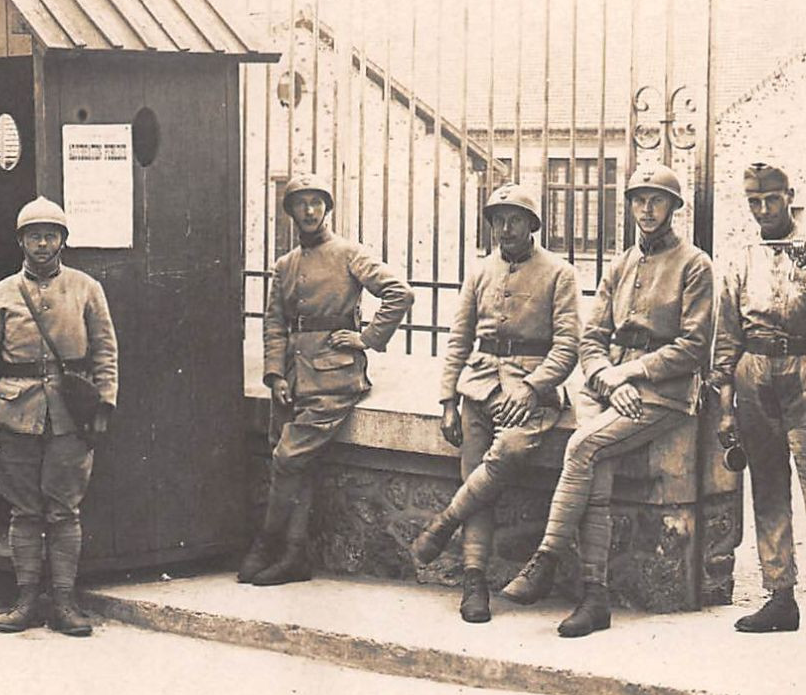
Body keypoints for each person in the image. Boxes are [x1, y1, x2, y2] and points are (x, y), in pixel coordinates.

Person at [500, 164, 713, 637]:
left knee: (581, 448)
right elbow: (590, 337)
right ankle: (595, 599)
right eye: (639, 199)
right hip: (610, 389)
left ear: (674, 208)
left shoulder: (695, 265)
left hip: (664, 393)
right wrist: (607, 378)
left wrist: (632, 373)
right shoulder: (619, 264)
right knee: (595, 467)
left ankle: (547, 557)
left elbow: (694, 346)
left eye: (657, 200)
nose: (647, 209)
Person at [410, 184, 581, 623]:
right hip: (479, 386)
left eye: (515, 219)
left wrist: (533, 388)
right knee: (476, 478)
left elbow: (567, 347)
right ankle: (474, 583)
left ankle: (443, 522)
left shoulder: (559, 273)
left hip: (531, 388)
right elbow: (458, 340)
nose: (505, 228)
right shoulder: (479, 273)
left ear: (532, 225)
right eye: (498, 219)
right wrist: (449, 400)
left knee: (508, 453)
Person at [712, 162, 806, 650]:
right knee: (768, 487)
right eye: (754, 201)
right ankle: (780, 598)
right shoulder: (741, 257)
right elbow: (728, 330)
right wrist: (727, 401)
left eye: (771, 200)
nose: (762, 210)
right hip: (755, 374)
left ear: (789, 196)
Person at [238, 173, 414, 587]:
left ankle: (267, 543)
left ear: (328, 208)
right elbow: (274, 323)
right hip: (294, 380)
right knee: (297, 464)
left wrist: (367, 338)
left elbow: (399, 293)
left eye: (317, 202)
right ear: (291, 213)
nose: (310, 210)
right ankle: (295, 555)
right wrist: (275, 374)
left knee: (287, 459)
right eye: (302, 204)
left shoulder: (349, 253)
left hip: (335, 378)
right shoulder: (285, 265)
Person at [0, 197, 119, 637]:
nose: (42, 243)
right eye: (34, 235)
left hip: (72, 415)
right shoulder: (1, 295)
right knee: (24, 511)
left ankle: (65, 601)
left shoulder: (86, 289)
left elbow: (105, 352)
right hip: (16, 412)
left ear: (63, 240)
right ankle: (26, 598)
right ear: (21, 241)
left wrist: (104, 405)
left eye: (50, 235)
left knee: (64, 510)